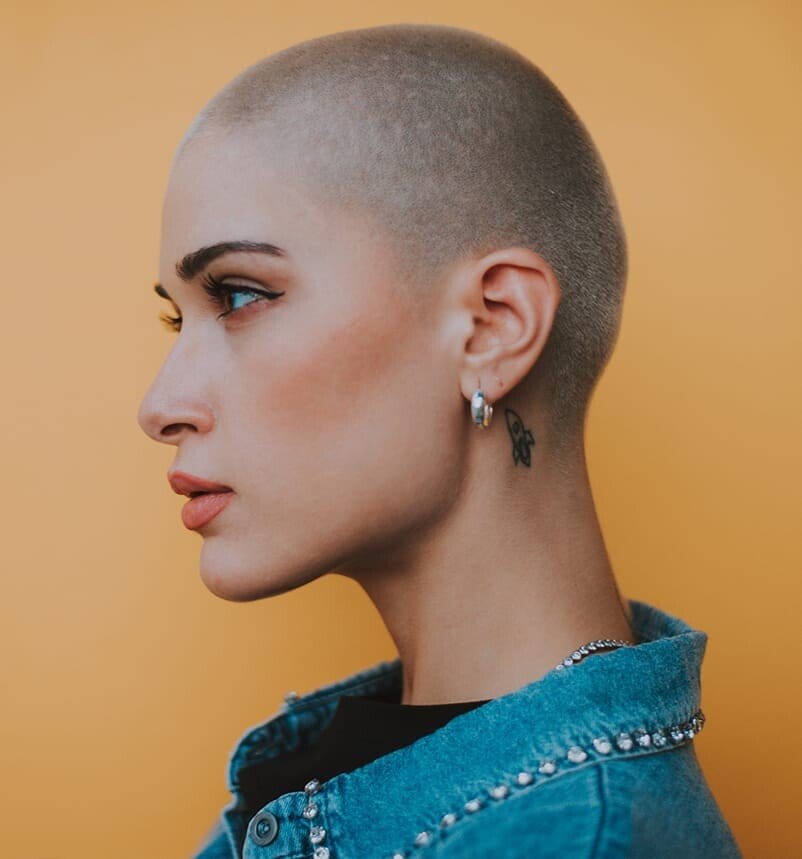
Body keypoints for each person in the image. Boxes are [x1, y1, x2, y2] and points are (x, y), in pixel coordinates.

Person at [137, 22, 742, 859]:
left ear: (493, 327)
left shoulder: (573, 844)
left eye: (240, 296)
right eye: (178, 319)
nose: (160, 406)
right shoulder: (332, 782)